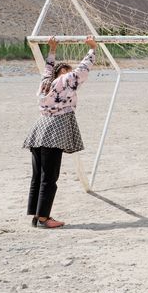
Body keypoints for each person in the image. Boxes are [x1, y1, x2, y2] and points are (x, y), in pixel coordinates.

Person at [23, 35, 97, 228]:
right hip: (54, 132)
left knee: (38, 175)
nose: (70, 73)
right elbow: (82, 71)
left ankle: (36, 214)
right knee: (50, 177)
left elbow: (47, 69)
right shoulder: (65, 81)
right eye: (67, 70)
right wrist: (92, 49)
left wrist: (53, 50)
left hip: (39, 130)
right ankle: (44, 218)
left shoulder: (46, 84)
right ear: (64, 73)